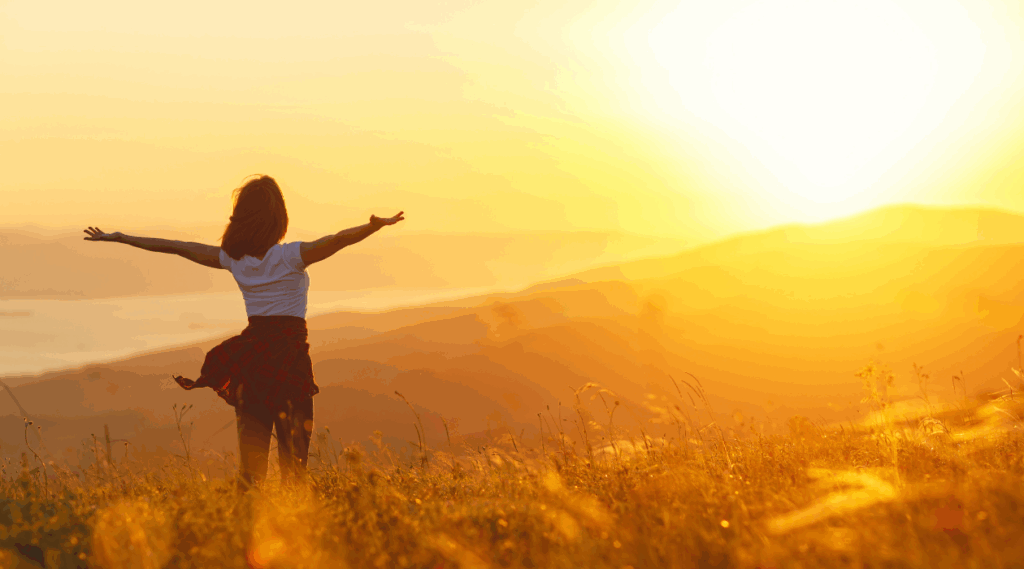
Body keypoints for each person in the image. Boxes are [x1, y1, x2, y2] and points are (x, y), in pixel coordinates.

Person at [83, 175, 404, 489]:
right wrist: (371, 228)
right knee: (295, 472)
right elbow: (336, 240)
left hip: (252, 366)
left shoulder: (233, 260)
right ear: (278, 218)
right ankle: (292, 532)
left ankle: (244, 531)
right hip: (290, 366)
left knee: (251, 475)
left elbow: (176, 247)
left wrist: (121, 237)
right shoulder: (290, 256)